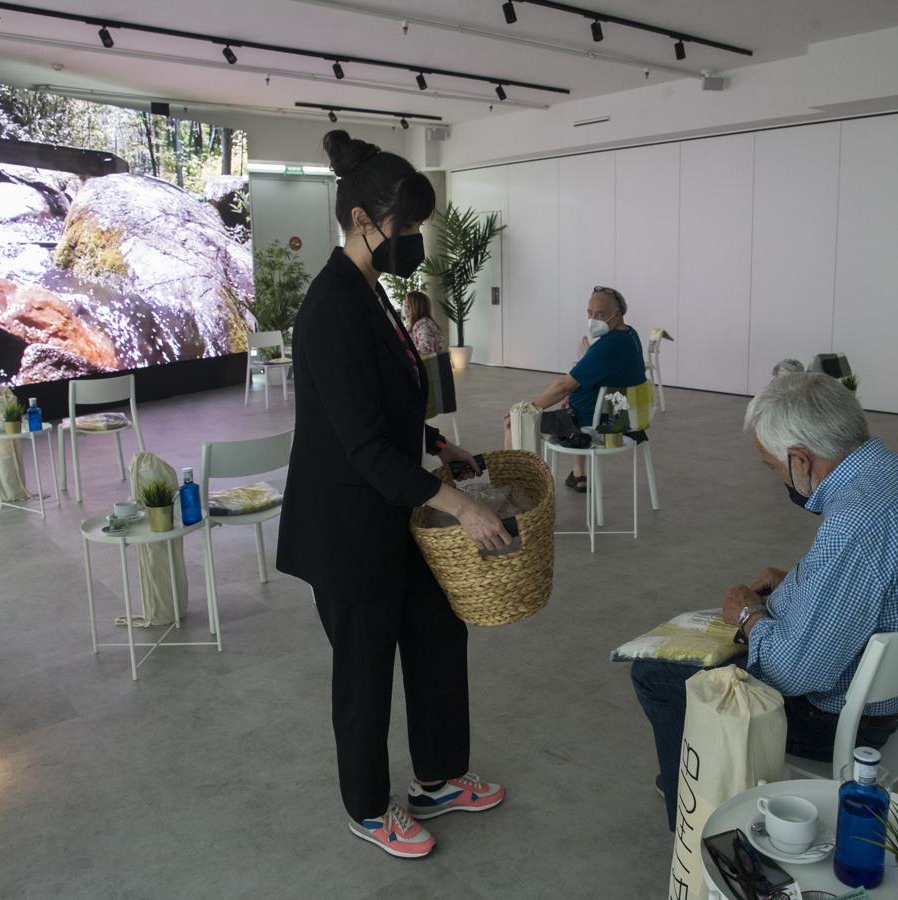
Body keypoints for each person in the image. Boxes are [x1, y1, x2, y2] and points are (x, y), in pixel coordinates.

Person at [276, 130, 510, 860]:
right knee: (365, 671)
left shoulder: (371, 296)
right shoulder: (330, 309)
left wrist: (442, 447)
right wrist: (462, 504)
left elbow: (391, 412)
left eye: (414, 226)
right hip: (347, 526)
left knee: (439, 631)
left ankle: (439, 775)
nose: (410, 240)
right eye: (402, 227)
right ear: (360, 221)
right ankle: (369, 807)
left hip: (394, 512)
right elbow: (362, 444)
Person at [631, 373, 898, 830]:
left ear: (800, 459)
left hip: (837, 721)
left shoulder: (854, 523)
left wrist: (749, 615)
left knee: (657, 672)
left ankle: (696, 825)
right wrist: (796, 580)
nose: (779, 478)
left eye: (773, 467)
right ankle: (697, 777)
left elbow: (790, 674)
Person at [508, 286, 645, 492]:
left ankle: (518, 490)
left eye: (601, 314)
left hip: (602, 425)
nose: (593, 319)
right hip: (626, 419)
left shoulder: (606, 347)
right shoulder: (630, 335)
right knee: (574, 409)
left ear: (618, 314)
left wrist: (529, 409)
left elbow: (563, 386)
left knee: (513, 423)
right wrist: (574, 394)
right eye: (590, 313)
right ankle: (579, 475)